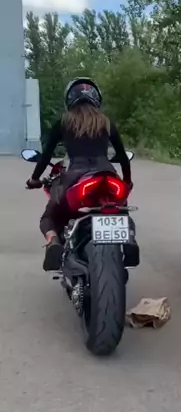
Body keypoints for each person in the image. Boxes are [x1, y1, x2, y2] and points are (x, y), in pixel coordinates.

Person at [26, 77, 132, 272]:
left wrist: (34, 180)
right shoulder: (106, 122)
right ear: (97, 98)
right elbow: (123, 158)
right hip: (107, 175)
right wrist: (128, 182)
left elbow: (46, 155)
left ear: (69, 99)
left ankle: (53, 241)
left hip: (75, 176)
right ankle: (129, 238)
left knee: (49, 217)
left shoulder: (64, 122)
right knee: (120, 207)